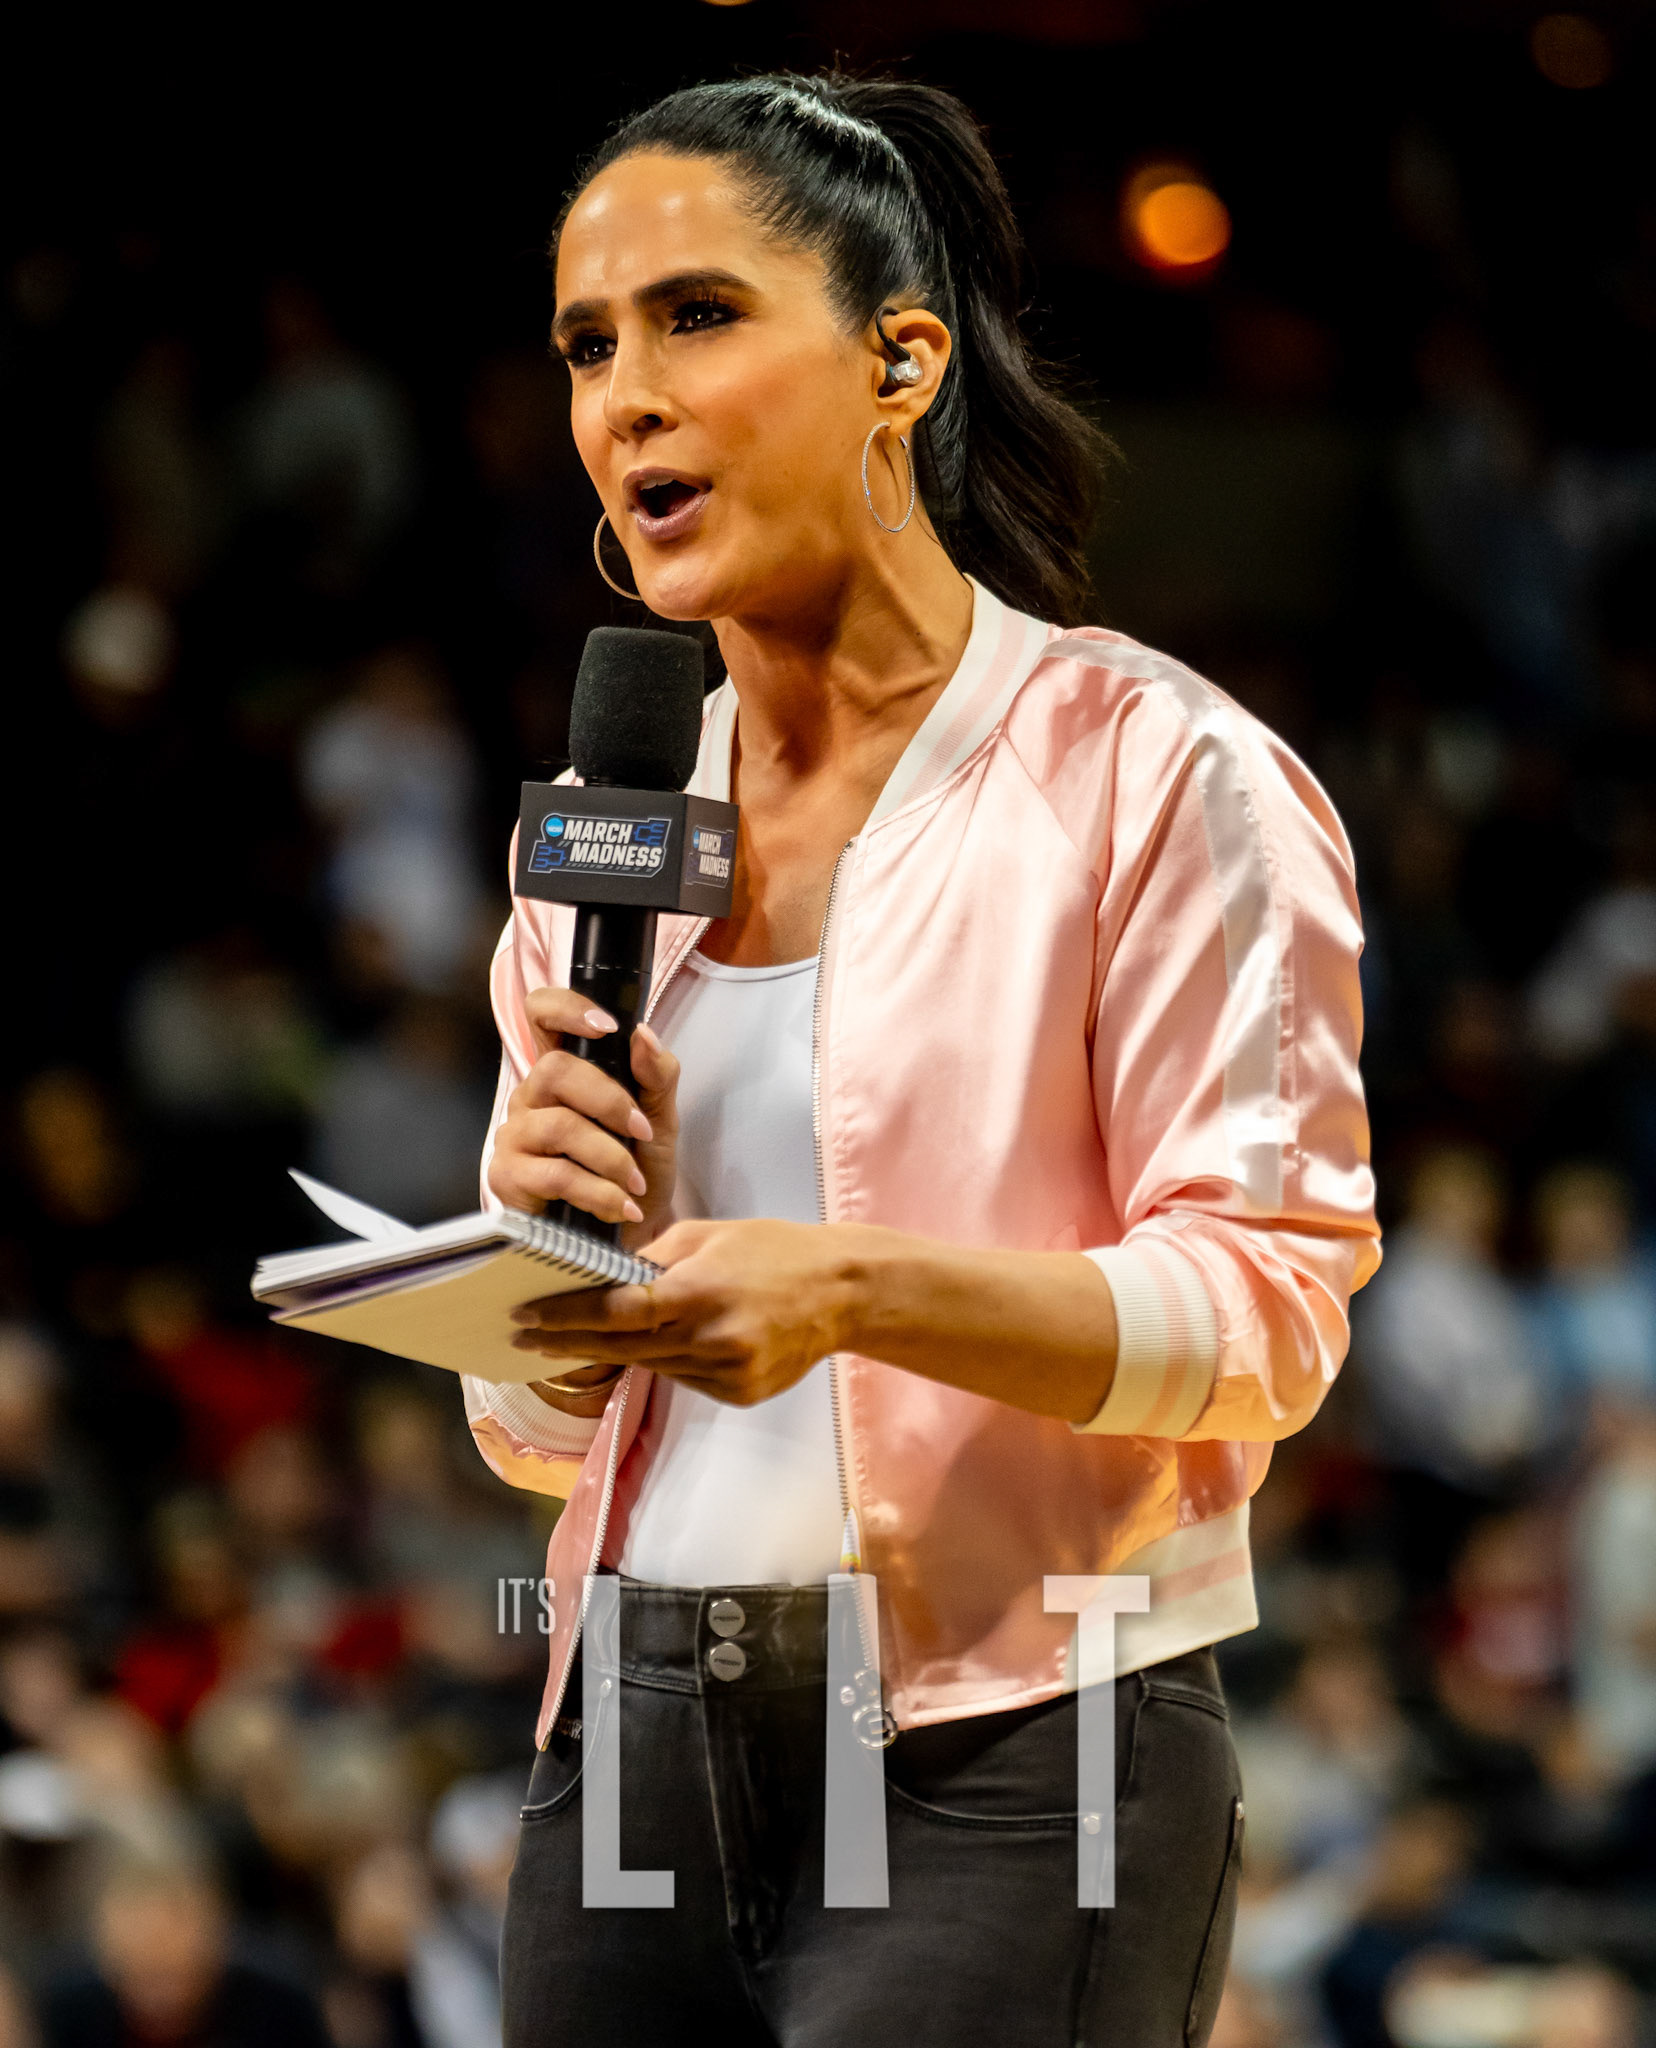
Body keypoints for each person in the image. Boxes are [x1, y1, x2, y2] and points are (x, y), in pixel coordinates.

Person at [460, 72, 1379, 2048]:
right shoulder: (603, 832)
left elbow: (1269, 1313)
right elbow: (534, 1434)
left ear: (901, 360)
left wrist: (854, 1293)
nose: (626, 397)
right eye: (587, 346)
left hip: (1032, 1734)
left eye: (698, 316)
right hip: (629, 1726)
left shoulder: (1157, 771)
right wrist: (538, 1287)